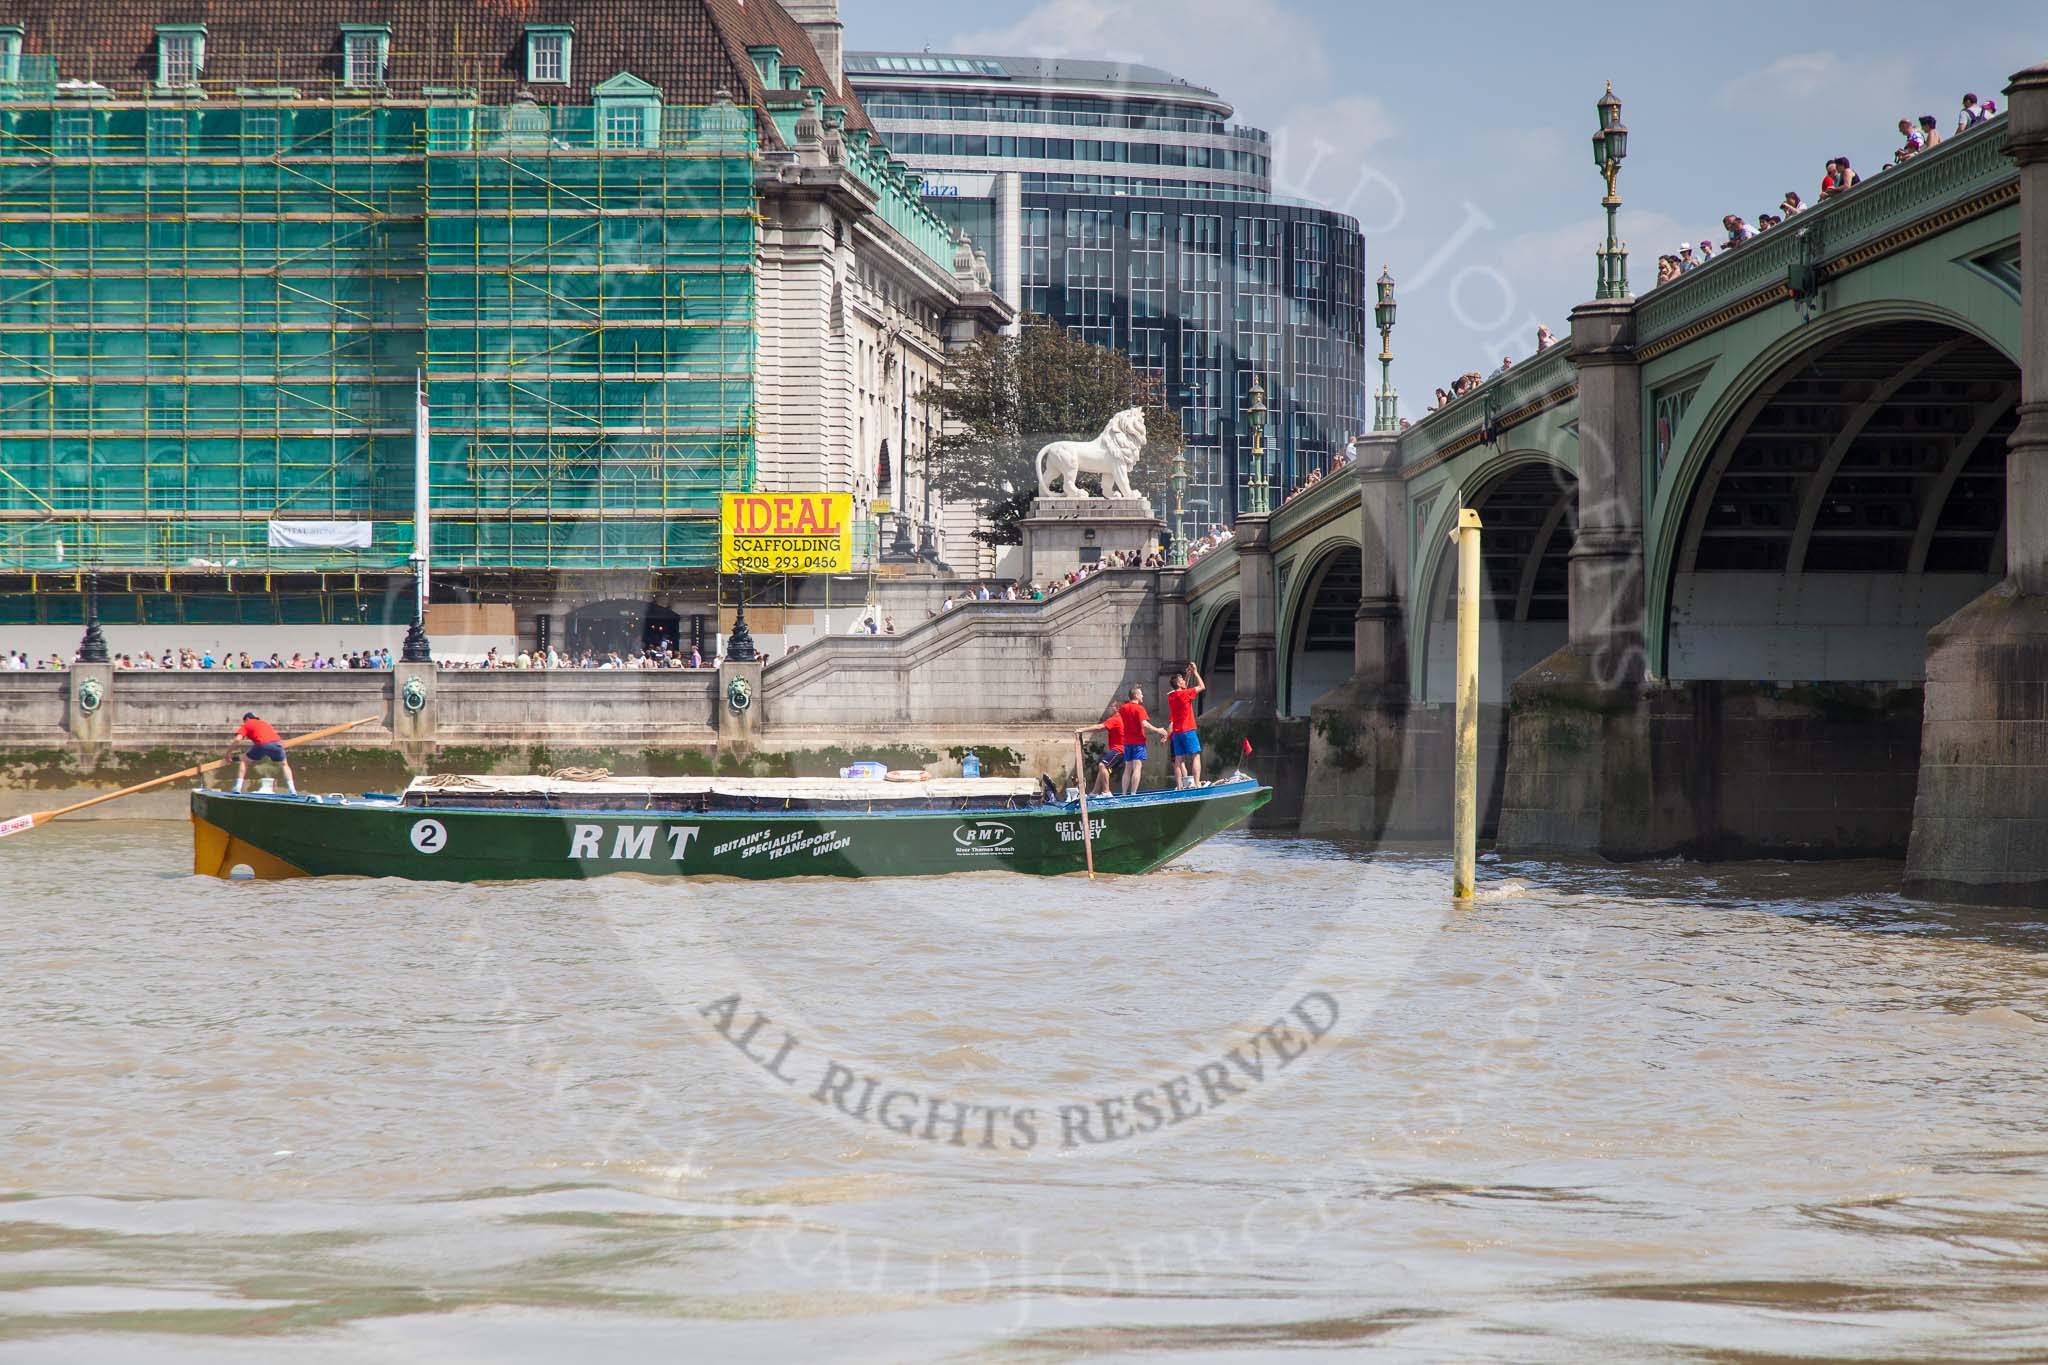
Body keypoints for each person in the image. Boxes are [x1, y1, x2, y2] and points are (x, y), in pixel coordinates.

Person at [1113, 685, 1168, 796]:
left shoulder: (1123, 708)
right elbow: (1144, 723)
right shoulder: (1139, 709)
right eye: (1141, 694)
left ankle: (1124, 793)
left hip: (1127, 741)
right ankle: (1133, 794)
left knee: (1127, 768)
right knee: (1137, 767)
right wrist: (1158, 730)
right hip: (1138, 742)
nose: (1143, 696)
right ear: (1137, 696)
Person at [229, 712, 296, 795]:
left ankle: (237, 788)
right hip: (277, 744)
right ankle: (292, 790)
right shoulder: (265, 723)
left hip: (262, 744)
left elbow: (237, 740)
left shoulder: (247, 723)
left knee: (244, 761)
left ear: (247, 719)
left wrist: (228, 754)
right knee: (284, 764)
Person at [1166, 663, 1206, 788]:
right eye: (1182, 680)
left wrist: (1187, 675)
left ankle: (1179, 786)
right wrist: (1195, 672)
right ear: (1178, 683)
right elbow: (1202, 686)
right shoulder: (1185, 694)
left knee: (1178, 759)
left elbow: (1183, 689)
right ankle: (1197, 783)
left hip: (1177, 733)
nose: (1184, 681)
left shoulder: (1171, 696)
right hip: (1188, 729)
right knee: (1196, 755)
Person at [1076, 701, 1125, 798]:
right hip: (1120, 750)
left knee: (1103, 765)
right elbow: (1101, 729)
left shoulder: (1115, 719)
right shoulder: (1120, 719)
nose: (1110, 709)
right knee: (1102, 768)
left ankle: (1106, 793)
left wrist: (1082, 729)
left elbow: (1099, 727)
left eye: (1112, 707)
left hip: (1120, 750)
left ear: (1116, 708)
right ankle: (1095, 792)